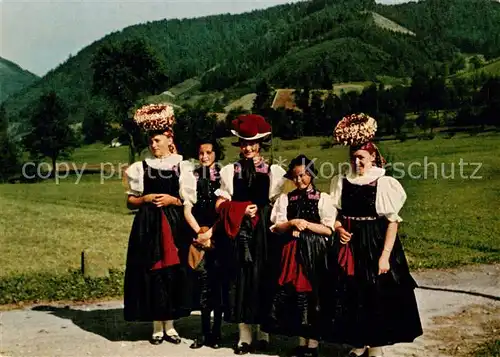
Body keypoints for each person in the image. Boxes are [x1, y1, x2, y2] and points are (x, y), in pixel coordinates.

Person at [325, 113, 423, 357]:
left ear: (373, 158)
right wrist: (338, 228)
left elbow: (392, 222)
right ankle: (358, 342)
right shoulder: (341, 181)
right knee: (351, 291)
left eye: (362, 158)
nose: (357, 163)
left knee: (375, 292)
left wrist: (385, 255)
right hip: (350, 242)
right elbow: (333, 213)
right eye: (354, 157)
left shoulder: (383, 183)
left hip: (376, 241)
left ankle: (376, 346)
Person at [215, 114, 286, 355]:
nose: (248, 148)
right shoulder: (228, 171)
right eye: (244, 143)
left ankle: (264, 331)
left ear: (260, 143)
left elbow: (279, 203)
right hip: (240, 231)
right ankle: (244, 334)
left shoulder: (274, 171)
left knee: (264, 276)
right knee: (241, 278)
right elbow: (220, 204)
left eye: (252, 143)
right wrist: (239, 208)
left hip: (265, 230)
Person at [123, 103, 192, 345]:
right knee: (152, 271)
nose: (153, 145)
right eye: (151, 141)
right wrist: (145, 199)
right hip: (148, 224)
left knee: (171, 272)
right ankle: (156, 325)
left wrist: (174, 199)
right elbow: (130, 201)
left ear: (168, 138)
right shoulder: (141, 167)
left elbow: (188, 199)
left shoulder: (181, 165)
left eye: (158, 140)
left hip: (173, 224)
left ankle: (171, 325)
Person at [265, 155, 335, 357]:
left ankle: (313, 344)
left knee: (313, 294)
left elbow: (329, 229)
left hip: (314, 251)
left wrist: (306, 226)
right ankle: (301, 341)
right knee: (295, 294)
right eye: (295, 176)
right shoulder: (286, 199)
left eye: (303, 175)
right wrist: (292, 223)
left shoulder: (322, 198)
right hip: (292, 252)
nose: (299, 180)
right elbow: (277, 227)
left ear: (311, 175)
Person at [179, 138, 224, 349]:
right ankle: (205, 333)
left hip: (220, 235)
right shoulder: (192, 177)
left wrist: (212, 233)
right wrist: (199, 232)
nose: (204, 157)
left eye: (208, 152)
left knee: (219, 284)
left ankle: (217, 333)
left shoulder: (225, 176)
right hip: (199, 235)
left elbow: (226, 210)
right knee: (204, 285)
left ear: (216, 153)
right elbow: (187, 209)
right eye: (201, 153)